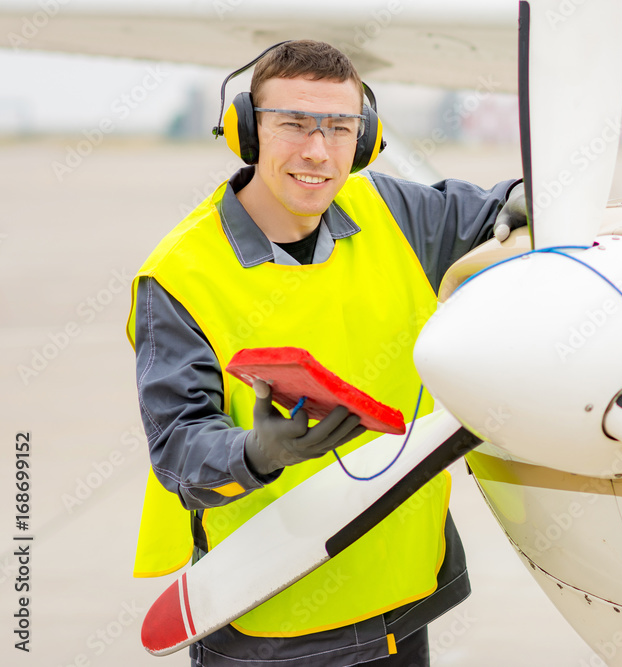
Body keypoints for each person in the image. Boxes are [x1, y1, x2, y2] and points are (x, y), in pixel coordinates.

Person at [126, 40, 526, 667]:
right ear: (246, 133)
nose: (318, 150)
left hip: (399, 593)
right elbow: (179, 452)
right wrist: (256, 453)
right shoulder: (180, 276)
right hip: (271, 614)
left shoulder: (391, 209)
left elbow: (496, 215)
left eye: (340, 128)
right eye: (293, 125)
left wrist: (531, 203)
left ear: (365, 141)